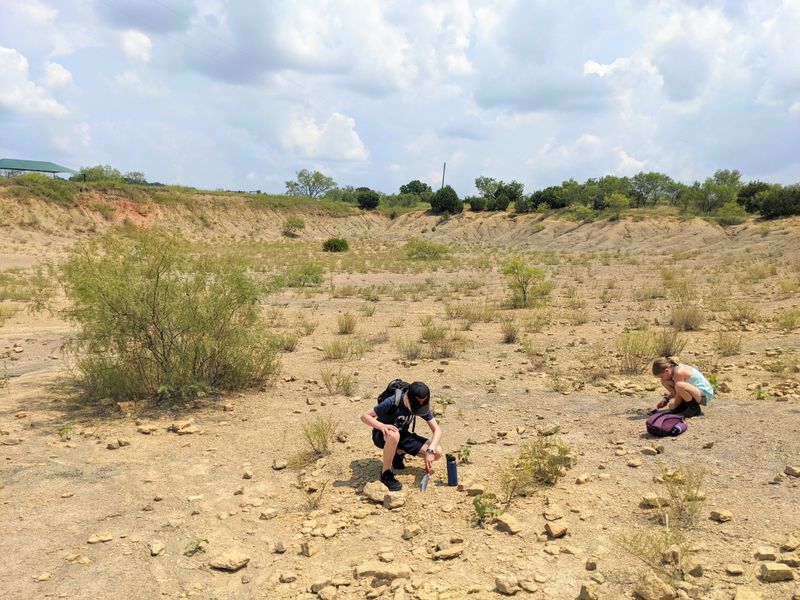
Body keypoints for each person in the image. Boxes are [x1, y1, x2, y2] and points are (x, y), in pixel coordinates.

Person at [360, 381, 443, 491]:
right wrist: (382, 426)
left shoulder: (421, 404)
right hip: (382, 435)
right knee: (394, 435)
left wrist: (430, 451)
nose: (417, 411)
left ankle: (398, 453)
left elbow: (437, 430)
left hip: (402, 435)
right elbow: (364, 416)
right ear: (407, 398)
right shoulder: (392, 402)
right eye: (415, 408)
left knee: (437, 452)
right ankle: (386, 472)